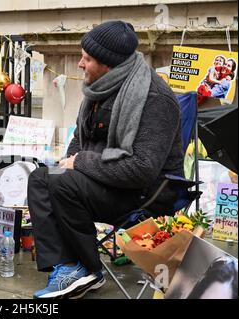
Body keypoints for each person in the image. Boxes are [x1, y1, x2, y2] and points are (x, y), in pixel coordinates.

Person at [27, 20, 184, 299]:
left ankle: (88, 268)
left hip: (144, 194)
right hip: (101, 182)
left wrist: (80, 163)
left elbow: (141, 170)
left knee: (64, 183)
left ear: (109, 65)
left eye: (87, 59)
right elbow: (79, 139)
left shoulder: (154, 98)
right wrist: (70, 161)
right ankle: (68, 264)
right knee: (41, 178)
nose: (79, 64)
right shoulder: (97, 91)